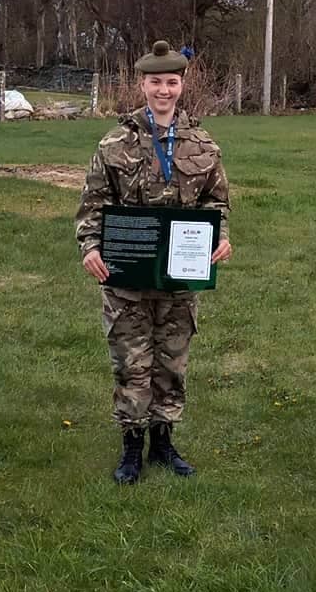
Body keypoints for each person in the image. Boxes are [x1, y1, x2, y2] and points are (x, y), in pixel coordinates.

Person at [75, 40, 232, 484]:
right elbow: (93, 203)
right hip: (126, 274)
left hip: (179, 277)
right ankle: (131, 447)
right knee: (130, 361)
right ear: (141, 85)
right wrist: (90, 246)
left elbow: (216, 202)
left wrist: (220, 237)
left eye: (171, 82)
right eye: (155, 82)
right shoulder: (113, 143)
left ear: (182, 85)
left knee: (172, 360)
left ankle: (164, 442)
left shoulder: (203, 144)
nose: (163, 90)